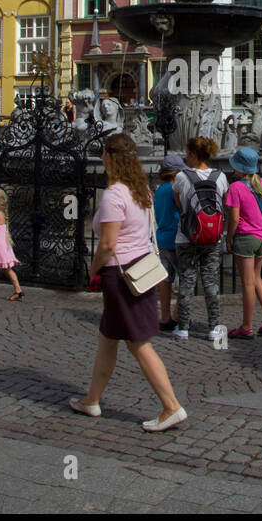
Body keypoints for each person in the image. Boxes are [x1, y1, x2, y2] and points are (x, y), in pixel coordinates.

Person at [70, 133, 187, 431]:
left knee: (138, 344)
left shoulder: (114, 195)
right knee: (108, 338)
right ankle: (92, 399)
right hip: (143, 270)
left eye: (103, 155)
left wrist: (92, 272)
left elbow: (107, 244)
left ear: (109, 158)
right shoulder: (141, 192)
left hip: (122, 275)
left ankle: (171, 406)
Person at [172, 136, 228, 344]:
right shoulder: (220, 176)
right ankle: (214, 328)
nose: (186, 157)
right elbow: (224, 200)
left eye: (187, 153)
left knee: (186, 280)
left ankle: (183, 328)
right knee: (211, 281)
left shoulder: (181, 177)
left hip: (186, 237)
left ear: (193, 155)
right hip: (213, 237)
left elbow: (179, 203)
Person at [225, 146, 262, 339]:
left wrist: (228, 238)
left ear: (239, 167)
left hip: (246, 238)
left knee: (247, 283)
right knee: (257, 278)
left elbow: (234, 219)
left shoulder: (235, 187)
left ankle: (246, 326)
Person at [154, 155, 185, 332]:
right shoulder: (175, 189)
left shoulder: (160, 189)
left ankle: (164, 317)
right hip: (177, 238)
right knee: (186, 278)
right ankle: (177, 315)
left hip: (162, 238)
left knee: (165, 279)